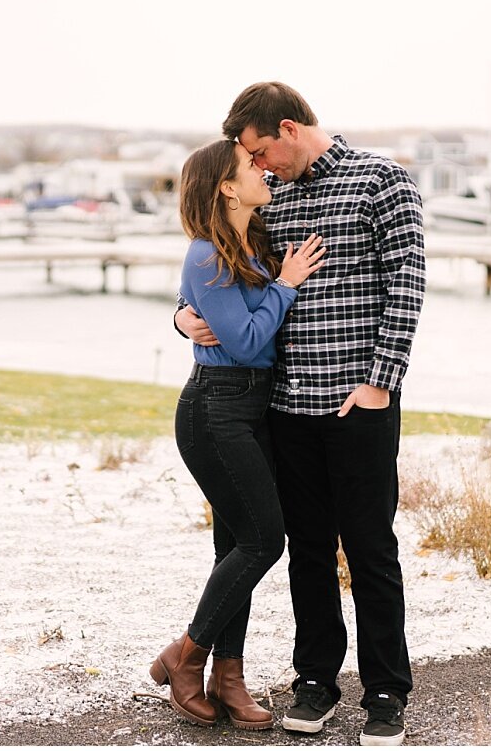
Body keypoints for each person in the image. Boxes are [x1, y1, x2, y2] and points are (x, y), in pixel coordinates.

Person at [175, 82, 426, 747]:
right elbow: (216, 264)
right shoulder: (268, 197)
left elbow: (407, 284)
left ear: (288, 129)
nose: (260, 167)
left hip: (359, 402)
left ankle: (385, 693)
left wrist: (381, 382)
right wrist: (179, 318)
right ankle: (315, 682)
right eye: (250, 162)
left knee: (370, 549)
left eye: (261, 152)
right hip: (283, 407)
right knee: (306, 551)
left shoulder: (382, 181)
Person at [150, 138, 326, 731]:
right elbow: (248, 341)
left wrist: (181, 314)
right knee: (262, 541)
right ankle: (187, 654)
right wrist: (288, 283)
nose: (262, 169)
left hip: (256, 409)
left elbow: (211, 313)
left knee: (235, 549)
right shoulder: (205, 253)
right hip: (214, 411)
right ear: (226, 187)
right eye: (250, 166)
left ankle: (229, 678)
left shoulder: (252, 237)